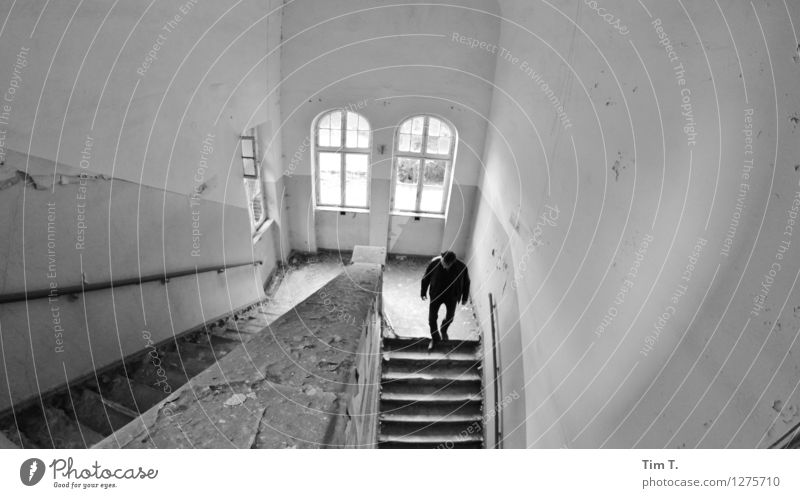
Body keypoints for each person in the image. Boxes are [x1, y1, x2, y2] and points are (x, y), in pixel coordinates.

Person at [420, 250, 470, 348]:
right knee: (432, 319)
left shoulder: (462, 267)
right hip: (436, 295)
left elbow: (466, 283)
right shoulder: (434, 263)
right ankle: (435, 338)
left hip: (452, 296)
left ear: (453, 262)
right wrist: (423, 291)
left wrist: (464, 298)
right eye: (443, 263)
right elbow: (426, 277)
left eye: (447, 265)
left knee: (450, 317)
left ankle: (443, 329)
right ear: (442, 258)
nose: (444, 266)